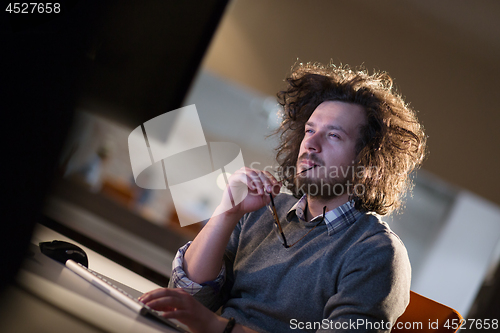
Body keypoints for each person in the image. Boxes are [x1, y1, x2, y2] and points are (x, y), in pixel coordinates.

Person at [139, 63, 426, 333]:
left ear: (369, 163)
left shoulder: (377, 252)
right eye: (309, 130)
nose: (311, 144)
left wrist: (219, 328)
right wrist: (227, 213)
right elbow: (186, 300)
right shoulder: (261, 211)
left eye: (334, 136)